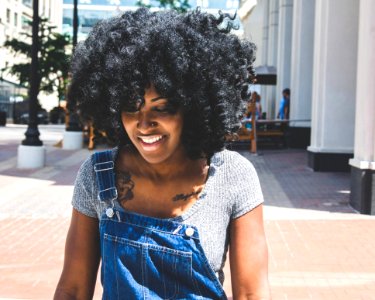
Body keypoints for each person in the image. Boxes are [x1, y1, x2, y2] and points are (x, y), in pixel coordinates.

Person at [54, 8, 270, 300]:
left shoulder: (233, 175)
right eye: (131, 107)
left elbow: (251, 294)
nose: (144, 123)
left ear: (192, 107)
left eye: (162, 107)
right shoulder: (97, 175)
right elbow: (73, 289)